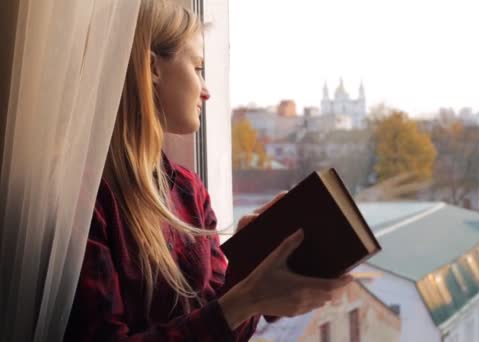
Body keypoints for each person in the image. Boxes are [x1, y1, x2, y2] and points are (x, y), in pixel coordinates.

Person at [63, 1, 352, 341]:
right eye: (198, 67)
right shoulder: (82, 203)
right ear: (152, 67)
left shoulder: (189, 190)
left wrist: (250, 268)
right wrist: (247, 298)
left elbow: (221, 324)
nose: (207, 91)